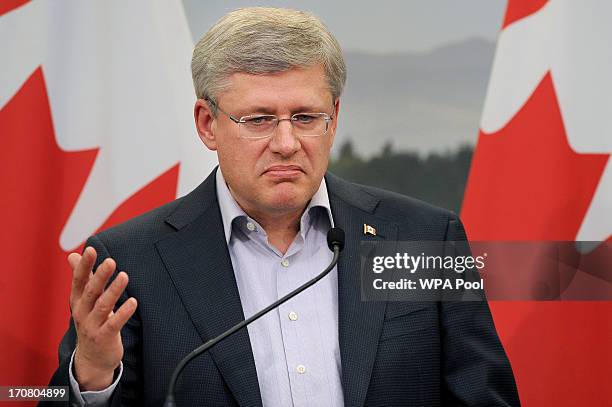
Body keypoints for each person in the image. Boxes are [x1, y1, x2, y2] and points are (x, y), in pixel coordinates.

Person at [46, 7, 519, 407]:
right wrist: (92, 377)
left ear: (335, 118)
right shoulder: (132, 259)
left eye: (306, 117)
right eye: (259, 120)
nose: (287, 143)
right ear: (207, 124)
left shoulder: (421, 238)